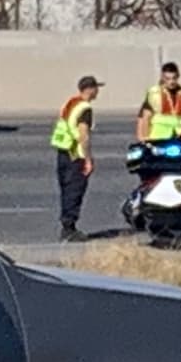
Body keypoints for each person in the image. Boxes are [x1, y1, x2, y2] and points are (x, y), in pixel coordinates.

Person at [50, 76, 103, 243]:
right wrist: (88, 159)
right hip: (76, 154)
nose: (97, 91)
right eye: (96, 88)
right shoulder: (85, 109)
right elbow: (83, 135)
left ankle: (67, 225)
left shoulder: (71, 103)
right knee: (75, 191)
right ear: (90, 89)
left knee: (66, 190)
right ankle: (69, 229)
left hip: (63, 151)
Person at [136, 61, 181, 158]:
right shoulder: (155, 94)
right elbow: (144, 117)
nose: (171, 82)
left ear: (178, 76)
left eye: (174, 78)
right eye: (168, 79)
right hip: (158, 135)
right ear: (163, 78)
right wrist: (144, 139)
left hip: (180, 134)